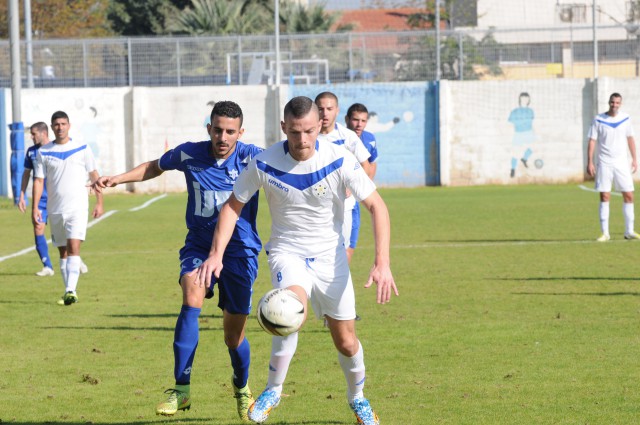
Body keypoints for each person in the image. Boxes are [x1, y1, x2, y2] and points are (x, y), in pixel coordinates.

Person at [192, 96, 398, 425]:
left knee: (346, 342)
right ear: (283, 127)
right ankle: (273, 389)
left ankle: (358, 397)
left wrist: (382, 262)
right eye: (295, 132)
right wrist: (216, 254)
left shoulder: (339, 159)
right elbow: (233, 205)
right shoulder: (264, 162)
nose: (302, 139)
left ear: (319, 126)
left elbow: (377, 206)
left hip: (331, 258)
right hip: (287, 252)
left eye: (309, 131)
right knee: (288, 311)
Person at [91, 101, 263, 421]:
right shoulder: (189, 153)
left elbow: (288, 176)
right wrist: (118, 179)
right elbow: (155, 166)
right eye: (217, 130)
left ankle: (241, 388)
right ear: (209, 128)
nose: (222, 137)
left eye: (230, 131)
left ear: (241, 132)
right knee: (191, 296)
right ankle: (181, 389)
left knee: (233, 336)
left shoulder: (254, 158)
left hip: (240, 252)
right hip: (199, 245)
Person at [32, 111, 102, 305]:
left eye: (63, 124)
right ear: (52, 127)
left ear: (69, 126)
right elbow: (38, 181)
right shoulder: (43, 152)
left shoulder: (82, 148)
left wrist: (99, 202)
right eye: (57, 124)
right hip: (55, 209)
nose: (60, 127)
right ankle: (68, 291)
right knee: (62, 252)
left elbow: (94, 175)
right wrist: (35, 207)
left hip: (77, 208)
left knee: (74, 247)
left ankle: (71, 290)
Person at [19, 122, 89, 277]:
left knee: (65, 234)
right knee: (38, 228)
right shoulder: (32, 152)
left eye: (34, 134)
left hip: (57, 199)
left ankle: (75, 258)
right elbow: (26, 174)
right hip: (40, 200)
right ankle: (47, 266)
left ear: (43, 133)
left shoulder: (55, 148)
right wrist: (22, 194)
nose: (31, 137)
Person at [315, 92, 373, 266]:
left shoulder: (347, 137)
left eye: (329, 108)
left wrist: (352, 186)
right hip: (317, 205)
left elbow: (366, 165)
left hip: (346, 207)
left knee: (343, 252)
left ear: (337, 110)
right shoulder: (308, 135)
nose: (325, 113)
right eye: (321, 109)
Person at [587, 92, 639, 241]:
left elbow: (630, 138)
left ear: (620, 104)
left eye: (617, 103)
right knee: (605, 196)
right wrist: (590, 161)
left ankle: (629, 231)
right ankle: (605, 233)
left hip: (621, 163)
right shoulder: (598, 119)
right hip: (604, 162)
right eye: (612, 102)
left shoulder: (626, 118)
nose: (614, 105)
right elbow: (592, 141)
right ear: (609, 102)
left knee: (629, 195)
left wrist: (635, 159)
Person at [345, 102, 379, 263]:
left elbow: (372, 164)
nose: (359, 124)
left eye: (363, 121)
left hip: (354, 200)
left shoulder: (370, 139)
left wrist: (363, 188)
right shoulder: (339, 138)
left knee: (349, 247)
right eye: (355, 120)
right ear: (347, 119)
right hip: (336, 200)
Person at [508, 92, 536, 178]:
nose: (524, 101)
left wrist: (533, 132)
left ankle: (524, 158)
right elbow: (510, 122)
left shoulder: (530, 111)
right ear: (519, 100)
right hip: (518, 133)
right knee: (515, 152)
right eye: (523, 99)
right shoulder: (515, 111)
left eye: (526, 99)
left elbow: (532, 122)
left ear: (528, 101)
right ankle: (513, 169)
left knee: (533, 147)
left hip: (528, 133)